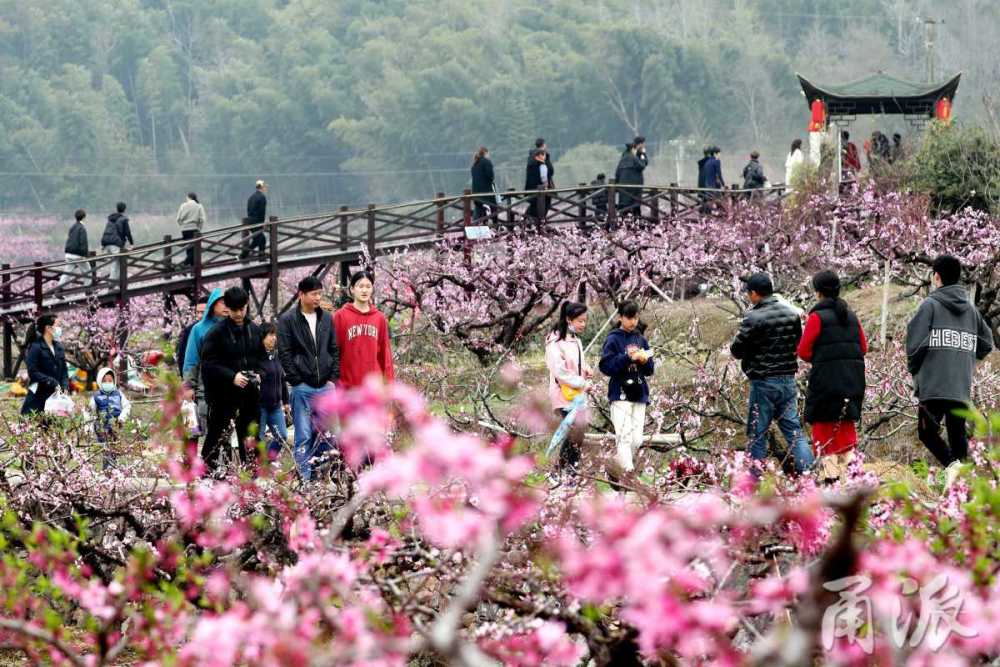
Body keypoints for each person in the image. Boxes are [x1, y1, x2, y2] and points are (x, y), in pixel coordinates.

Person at [905, 255, 994, 485]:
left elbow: (914, 346)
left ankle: (954, 469)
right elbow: (986, 342)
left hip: (933, 385)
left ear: (936, 277)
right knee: (957, 438)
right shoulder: (971, 311)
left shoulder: (930, 305)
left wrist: (916, 370)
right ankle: (961, 489)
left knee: (926, 432)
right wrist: (964, 358)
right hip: (959, 385)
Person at [730, 272, 814, 474]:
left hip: (763, 381)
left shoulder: (753, 317)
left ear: (755, 293)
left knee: (757, 433)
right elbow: (797, 343)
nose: (749, 298)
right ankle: (809, 475)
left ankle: (754, 480)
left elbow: (737, 350)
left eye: (749, 294)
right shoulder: (791, 313)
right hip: (787, 379)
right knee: (794, 432)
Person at [796, 271, 867, 481]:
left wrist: (824, 357)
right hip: (852, 380)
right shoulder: (851, 316)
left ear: (817, 292)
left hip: (826, 382)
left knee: (824, 433)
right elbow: (863, 347)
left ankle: (831, 482)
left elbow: (803, 351)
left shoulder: (817, 317)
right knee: (846, 432)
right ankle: (853, 482)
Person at [277, 275, 341, 481]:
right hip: (302, 387)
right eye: (314, 294)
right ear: (301, 295)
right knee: (303, 436)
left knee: (328, 435)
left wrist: (332, 377)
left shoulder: (327, 318)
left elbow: (334, 349)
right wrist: (295, 379)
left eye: (319, 294)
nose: (317, 298)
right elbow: (284, 353)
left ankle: (323, 477)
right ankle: (305, 479)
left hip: (326, 386)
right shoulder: (288, 320)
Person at [200, 286, 265, 472]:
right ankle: (205, 477)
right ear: (227, 308)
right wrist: (232, 376)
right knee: (216, 438)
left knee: (251, 439)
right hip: (223, 398)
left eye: (242, 309)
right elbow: (209, 364)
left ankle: (253, 480)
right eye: (234, 310)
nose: (238, 314)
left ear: (247, 306)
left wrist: (259, 374)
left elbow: (263, 360)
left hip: (249, 396)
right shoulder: (215, 333)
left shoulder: (254, 329)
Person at [599, 301, 654, 474]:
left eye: (636, 317)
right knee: (624, 436)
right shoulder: (613, 338)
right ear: (620, 317)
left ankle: (616, 465)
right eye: (629, 318)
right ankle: (628, 472)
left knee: (636, 440)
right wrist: (627, 357)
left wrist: (644, 361)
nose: (633, 322)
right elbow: (606, 366)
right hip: (619, 393)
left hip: (639, 392)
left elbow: (650, 370)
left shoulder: (640, 338)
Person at [544, 301, 592, 472]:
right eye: (580, 321)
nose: (583, 324)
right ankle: (565, 470)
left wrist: (585, 369)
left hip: (577, 394)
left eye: (585, 320)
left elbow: (576, 364)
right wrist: (582, 382)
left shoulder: (575, 340)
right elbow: (559, 371)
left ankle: (568, 471)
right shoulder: (555, 341)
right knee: (574, 430)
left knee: (579, 432)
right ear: (569, 320)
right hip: (563, 394)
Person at [334, 270, 395, 389]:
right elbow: (334, 352)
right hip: (348, 386)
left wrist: (389, 383)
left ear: (372, 289)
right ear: (352, 289)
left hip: (373, 388)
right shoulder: (340, 316)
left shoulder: (379, 318)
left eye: (368, 286)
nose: (364, 290)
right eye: (360, 286)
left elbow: (385, 353)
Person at [182, 288, 228, 437]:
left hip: (228, 389)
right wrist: (189, 386)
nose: (226, 307)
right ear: (213, 305)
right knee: (195, 431)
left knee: (224, 433)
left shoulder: (233, 327)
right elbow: (191, 360)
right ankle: (194, 459)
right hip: (204, 390)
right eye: (222, 303)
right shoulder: (199, 329)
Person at [21, 314, 69, 416]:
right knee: (35, 425)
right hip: (38, 395)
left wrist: (65, 386)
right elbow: (32, 372)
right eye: (57, 325)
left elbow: (64, 370)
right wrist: (52, 382)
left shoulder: (59, 347)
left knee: (53, 428)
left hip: (55, 397)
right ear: (48, 328)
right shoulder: (35, 347)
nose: (59, 328)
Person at [87, 367, 132, 469]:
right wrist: (89, 428)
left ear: (114, 381)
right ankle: (108, 470)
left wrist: (122, 418)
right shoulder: (96, 396)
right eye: (104, 381)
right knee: (106, 449)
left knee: (114, 448)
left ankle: (113, 470)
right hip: (101, 427)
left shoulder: (118, 394)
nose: (107, 383)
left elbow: (127, 406)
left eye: (110, 380)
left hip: (116, 425)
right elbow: (90, 413)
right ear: (99, 381)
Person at [258, 322, 289, 461]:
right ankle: (255, 473)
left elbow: (282, 379)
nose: (274, 338)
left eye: (274, 334)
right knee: (258, 439)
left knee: (282, 435)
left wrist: (286, 401)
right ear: (262, 337)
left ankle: (266, 463)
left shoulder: (276, 355)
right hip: (261, 406)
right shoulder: (256, 358)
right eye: (270, 335)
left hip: (276, 406)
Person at [100, 202, 134, 282]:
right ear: (124, 209)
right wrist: (132, 243)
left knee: (116, 262)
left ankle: (117, 281)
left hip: (106, 242)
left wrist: (103, 245)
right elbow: (127, 233)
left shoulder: (110, 219)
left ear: (117, 208)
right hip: (115, 243)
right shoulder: (123, 219)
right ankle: (112, 284)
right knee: (116, 263)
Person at [615, 137, 648, 216]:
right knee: (636, 207)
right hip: (634, 188)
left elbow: (617, 173)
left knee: (624, 208)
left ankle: (622, 223)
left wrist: (616, 185)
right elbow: (642, 165)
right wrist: (643, 154)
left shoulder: (623, 158)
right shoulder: (633, 157)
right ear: (633, 149)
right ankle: (637, 222)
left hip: (623, 187)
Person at [176, 295, 209, 372]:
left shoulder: (220, 327)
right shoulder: (190, 330)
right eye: (198, 312)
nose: (200, 316)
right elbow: (182, 356)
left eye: (203, 312)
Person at [58, 209, 89, 289]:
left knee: (67, 273)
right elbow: (83, 242)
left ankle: (58, 290)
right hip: (77, 255)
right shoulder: (82, 228)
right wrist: (85, 255)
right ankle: (88, 289)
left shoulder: (72, 227)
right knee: (88, 270)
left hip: (69, 254)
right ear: (84, 217)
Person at [176, 192, 206, 267]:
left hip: (184, 230)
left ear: (188, 197)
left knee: (189, 249)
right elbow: (202, 219)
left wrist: (182, 225)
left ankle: (191, 268)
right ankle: (185, 264)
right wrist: (199, 228)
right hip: (194, 229)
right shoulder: (199, 206)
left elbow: (178, 219)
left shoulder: (183, 205)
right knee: (195, 249)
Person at [470, 147, 496, 221]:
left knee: (479, 210)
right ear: (485, 153)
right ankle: (495, 225)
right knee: (494, 208)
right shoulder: (487, 162)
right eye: (488, 153)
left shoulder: (474, 164)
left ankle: (476, 225)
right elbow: (491, 176)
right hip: (486, 192)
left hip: (476, 192)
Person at [244, 180, 268, 258]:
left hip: (250, 221)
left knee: (261, 239)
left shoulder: (251, 197)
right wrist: (262, 224)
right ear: (262, 187)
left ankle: (261, 257)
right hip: (257, 222)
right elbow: (262, 212)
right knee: (258, 239)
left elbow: (248, 210)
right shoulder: (262, 197)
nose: (266, 188)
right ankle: (243, 255)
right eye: (265, 187)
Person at [524, 149, 550, 221]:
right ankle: (540, 220)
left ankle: (527, 219)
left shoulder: (530, 165)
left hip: (530, 189)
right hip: (540, 189)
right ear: (540, 155)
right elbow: (544, 177)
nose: (545, 157)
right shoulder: (542, 165)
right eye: (544, 155)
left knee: (533, 205)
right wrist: (546, 186)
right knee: (544, 204)